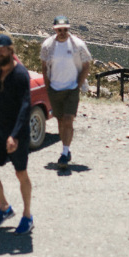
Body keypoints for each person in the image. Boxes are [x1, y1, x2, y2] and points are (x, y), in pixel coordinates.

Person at [0, 34, 34, 235]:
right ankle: (5, 208)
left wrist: (15, 135)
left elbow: (25, 106)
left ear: (11, 51)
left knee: (21, 173)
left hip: (17, 133)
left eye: (1, 50)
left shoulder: (20, 74)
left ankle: (27, 216)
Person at [40, 15, 91, 167]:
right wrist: (48, 86)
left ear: (69, 29)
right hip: (55, 89)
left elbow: (86, 65)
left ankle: (64, 153)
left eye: (65, 29)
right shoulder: (48, 45)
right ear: (55, 29)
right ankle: (66, 150)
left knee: (68, 119)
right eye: (59, 29)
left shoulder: (78, 45)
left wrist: (78, 84)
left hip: (71, 89)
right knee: (61, 120)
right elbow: (44, 66)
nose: (62, 32)